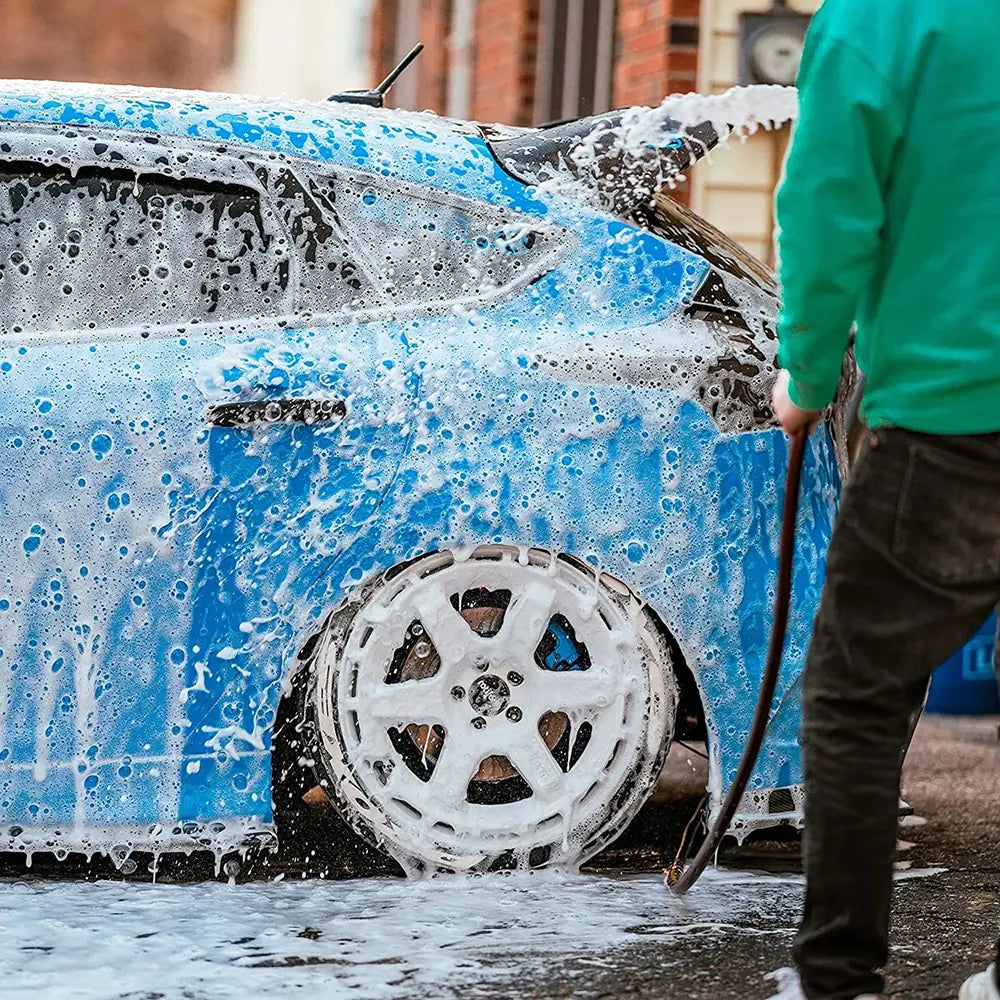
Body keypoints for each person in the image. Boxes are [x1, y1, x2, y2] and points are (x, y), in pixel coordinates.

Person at [768, 1, 1000, 998]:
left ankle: (837, 978)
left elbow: (827, 212)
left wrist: (806, 375)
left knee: (855, 696)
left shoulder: (878, 21)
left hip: (952, 419)